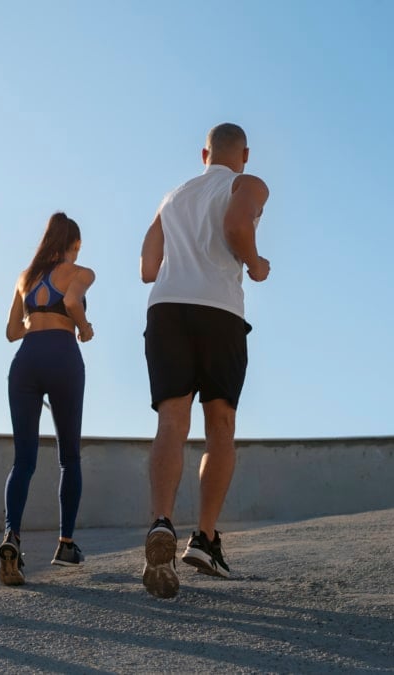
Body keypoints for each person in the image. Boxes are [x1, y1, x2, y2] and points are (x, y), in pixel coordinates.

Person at [138, 123, 271, 599]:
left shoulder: (172, 196)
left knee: (171, 422)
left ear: (204, 154)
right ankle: (206, 538)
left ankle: (161, 522)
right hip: (219, 310)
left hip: (166, 307)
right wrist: (255, 265)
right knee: (221, 425)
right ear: (245, 154)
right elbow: (237, 226)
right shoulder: (247, 184)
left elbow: (147, 267)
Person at [0, 212, 95, 586]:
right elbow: (71, 302)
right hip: (63, 357)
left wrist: (35, 324)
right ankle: (65, 544)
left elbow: (10, 332)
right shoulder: (81, 272)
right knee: (69, 457)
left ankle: (12, 537)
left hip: (25, 361)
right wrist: (84, 328)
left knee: (23, 460)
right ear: (74, 245)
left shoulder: (25, 276)